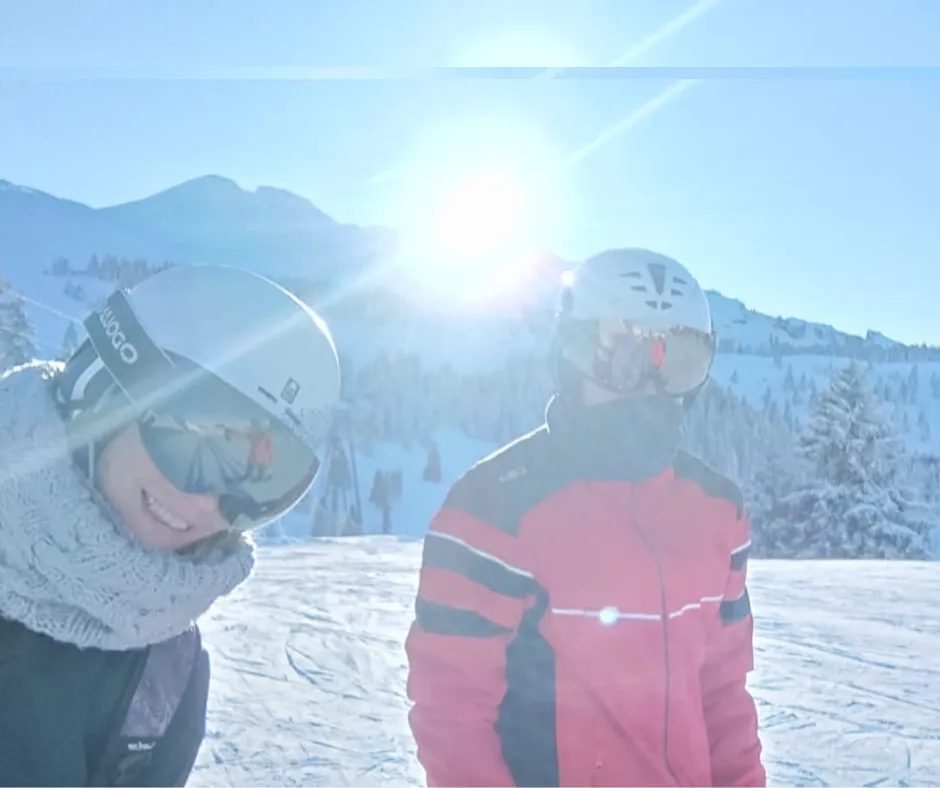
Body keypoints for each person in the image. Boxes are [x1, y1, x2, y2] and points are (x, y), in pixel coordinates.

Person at [405, 248, 765, 787]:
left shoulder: (715, 510)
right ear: (571, 357)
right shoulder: (493, 510)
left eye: (677, 364)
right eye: (622, 360)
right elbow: (452, 715)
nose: (649, 386)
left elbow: (722, 690)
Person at [0, 264, 341, 786]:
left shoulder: (167, 668)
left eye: (261, 485)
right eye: (200, 442)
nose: (209, 503)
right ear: (106, 394)